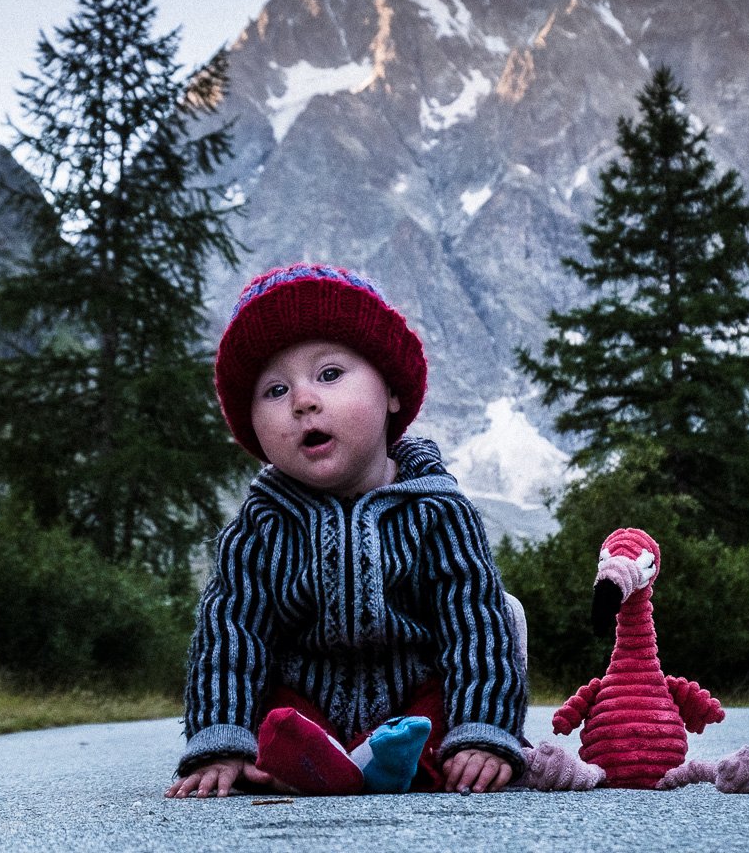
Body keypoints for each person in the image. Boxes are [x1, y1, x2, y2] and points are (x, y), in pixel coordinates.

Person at [165, 263, 527, 799]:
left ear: (392, 395)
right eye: (275, 390)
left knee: (486, 638)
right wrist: (220, 741)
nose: (302, 400)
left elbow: (472, 622)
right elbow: (231, 634)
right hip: (306, 698)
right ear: (255, 431)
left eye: (330, 374)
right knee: (277, 720)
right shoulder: (261, 528)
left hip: (415, 697)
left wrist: (485, 730)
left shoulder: (439, 510)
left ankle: (420, 756)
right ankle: (326, 762)